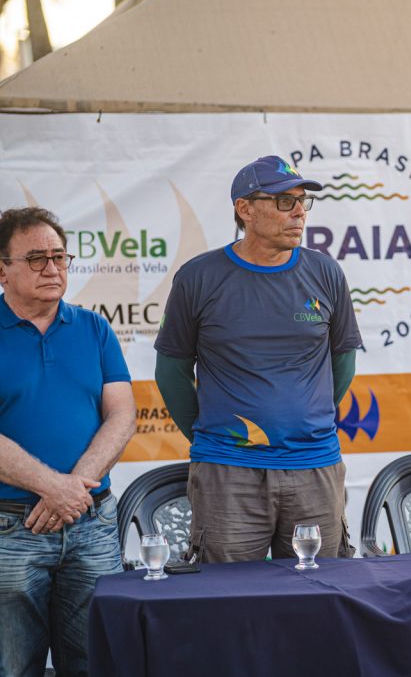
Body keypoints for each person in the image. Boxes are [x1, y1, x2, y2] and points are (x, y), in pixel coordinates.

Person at [155, 155, 362, 563]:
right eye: (285, 201)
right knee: (228, 595)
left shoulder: (326, 273)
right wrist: (213, 439)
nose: (299, 212)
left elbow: (343, 362)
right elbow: (171, 373)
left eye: (302, 201)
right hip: (227, 471)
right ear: (245, 209)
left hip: (315, 466)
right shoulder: (198, 277)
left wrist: (306, 420)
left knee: (320, 591)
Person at [0, 207, 136, 675]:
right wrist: (52, 488)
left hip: (91, 524)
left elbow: (122, 414)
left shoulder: (95, 328)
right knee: (13, 667)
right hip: (11, 530)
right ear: (2, 269)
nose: (52, 268)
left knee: (98, 663)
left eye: (59, 256)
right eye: (36, 258)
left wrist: (73, 489)